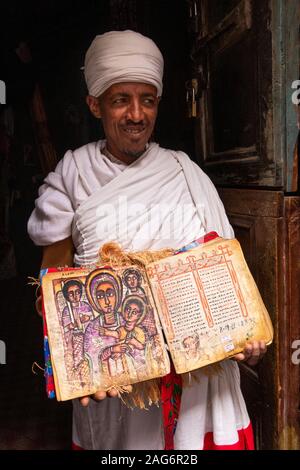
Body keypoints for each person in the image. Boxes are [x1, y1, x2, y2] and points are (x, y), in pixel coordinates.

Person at [28, 30, 267, 450]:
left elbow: (229, 280)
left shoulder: (185, 174)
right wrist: (73, 356)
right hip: (117, 381)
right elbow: (52, 288)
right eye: (121, 99)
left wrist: (247, 337)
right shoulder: (72, 176)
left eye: (148, 100)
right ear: (94, 104)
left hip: (199, 384)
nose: (136, 114)